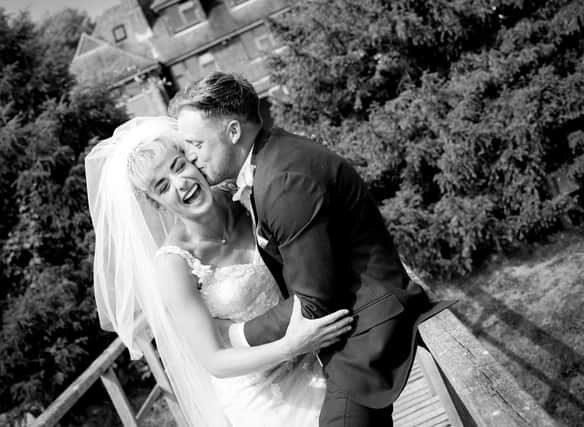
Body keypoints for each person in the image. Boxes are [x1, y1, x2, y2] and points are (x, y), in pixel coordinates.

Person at [169, 72, 454, 427]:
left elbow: (314, 302)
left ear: (232, 132)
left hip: (366, 327)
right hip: (340, 331)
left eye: (196, 143)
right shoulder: (272, 159)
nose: (192, 157)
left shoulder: (284, 181)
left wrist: (235, 334)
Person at [85, 116, 353, 427]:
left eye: (178, 166)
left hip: (321, 353)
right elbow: (214, 360)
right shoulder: (174, 265)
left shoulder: (244, 196)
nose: (180, 183)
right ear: (156, 204)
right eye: (163, 186)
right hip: (263, 396)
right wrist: (290, 346)